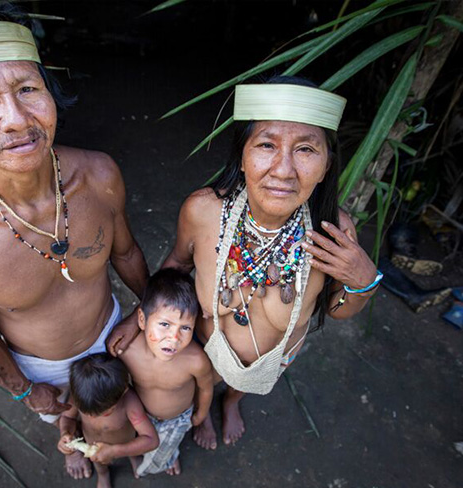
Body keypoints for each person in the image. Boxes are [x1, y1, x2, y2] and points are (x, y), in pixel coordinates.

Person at [0, 2, 148, 479]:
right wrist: (24, 389)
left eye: (27, 89)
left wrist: (150, 314)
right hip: (41, 369)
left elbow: (124, 252)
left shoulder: (98, 174)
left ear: (51, 97)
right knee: (69, 426)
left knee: (127, 414)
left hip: (115, 336)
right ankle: (76, 451)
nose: (17, 119)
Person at [159, 77, 382, 448]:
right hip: (205, 346)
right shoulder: (202, 210)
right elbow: (176, 266)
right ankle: (204, 407)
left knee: (240, 387)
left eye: (306, 149)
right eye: (266, 145)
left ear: (327, 165)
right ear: (242, 157)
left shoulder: (334, 232)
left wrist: (363, 282)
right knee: (202, 381)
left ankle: (232, 401)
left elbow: (337, 309)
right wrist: (144, 318)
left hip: (272, 361)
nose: (283, 170)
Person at [120, 268, 213, 476]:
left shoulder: (195, 361)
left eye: (185, 328)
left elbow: (206, 388)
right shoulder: (126, 351)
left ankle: (165, 459)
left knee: (162, 454)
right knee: (135, 439)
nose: (174, 337)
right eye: (164, 324)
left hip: (176, 420)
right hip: (139, 414)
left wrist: (201, 414)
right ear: (142, 320)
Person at [57, 353, 159, 488]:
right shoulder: (81, 395)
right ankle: (103, 474)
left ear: (123, 391)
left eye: (103, 413)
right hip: (93, 448)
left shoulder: (129, 402)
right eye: (88, 413)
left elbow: (151, 440)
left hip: (126, 443)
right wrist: (65, 433)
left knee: (134, 450)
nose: (93, 417)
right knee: (99, 463)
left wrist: (115, 451)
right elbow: (67, 417)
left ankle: (133, 457)